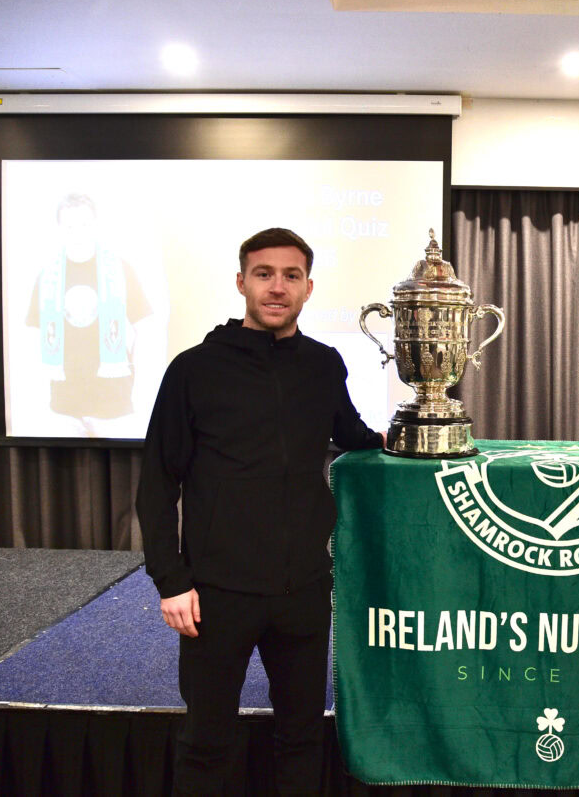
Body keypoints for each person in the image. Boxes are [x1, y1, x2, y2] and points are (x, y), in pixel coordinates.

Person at [136, 227, 384, 795]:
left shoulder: (323, 364)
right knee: (206, 742)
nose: (278, 287)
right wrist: (170, 581)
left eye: (291, 276)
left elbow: (350, 433)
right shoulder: (193, 369)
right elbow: (157, 482)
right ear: (241, 281)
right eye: (265, 274)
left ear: (309, 287)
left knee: (301, 739)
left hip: (302, 593)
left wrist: (409, 435)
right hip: (215, 592)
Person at [25, 192, 166, 437]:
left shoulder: (119, 269)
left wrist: (141, 384)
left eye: (84, 224)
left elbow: (145, 326)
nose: (77, 232)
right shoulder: (47, 276)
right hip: (63, 403)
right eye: (70, 226)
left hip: (113, 401)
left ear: (95, 225)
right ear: (59, 229)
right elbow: (33, 335)